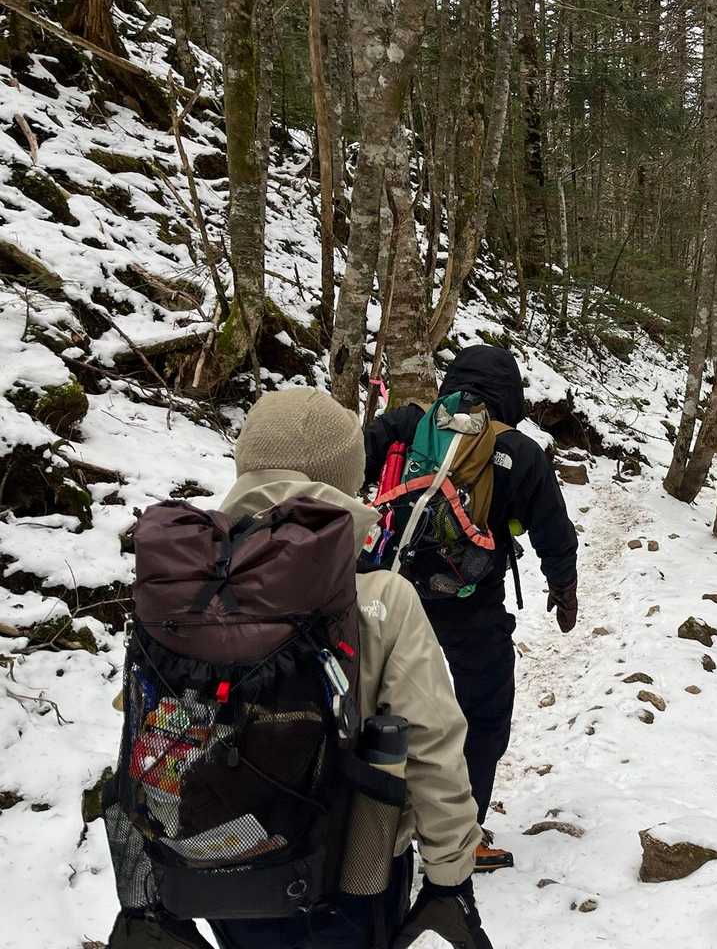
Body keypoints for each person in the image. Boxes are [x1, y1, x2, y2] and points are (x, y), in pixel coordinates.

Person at [209, 389, 492, 949]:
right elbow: (432, 745)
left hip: (218, 856)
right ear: (343, 480)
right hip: (353, 868)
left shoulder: (190, 580)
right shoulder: (379, 595)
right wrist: (450, 877)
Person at [364, 345, 579, 872]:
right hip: (469, 601)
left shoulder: (408, 423)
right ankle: (462, 837)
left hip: (387, 589)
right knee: (483, 713)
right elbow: (554, 531)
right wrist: (563, 588)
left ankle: (367, 828)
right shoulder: (519, 452)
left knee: (375, 704)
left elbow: (343, 466)